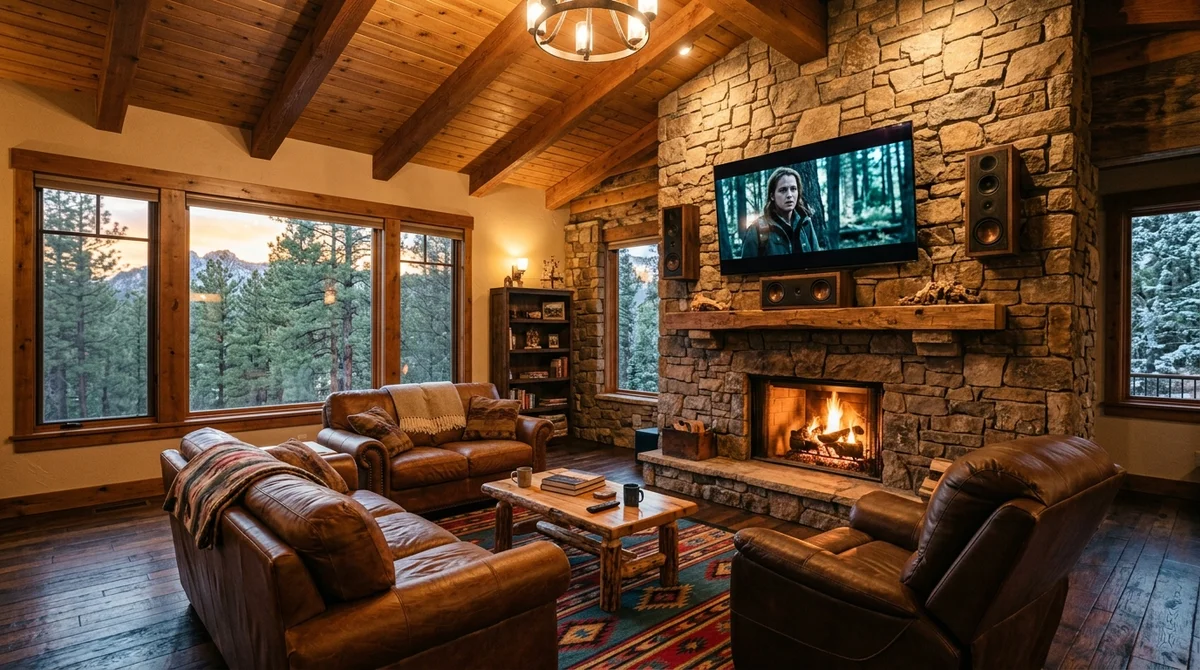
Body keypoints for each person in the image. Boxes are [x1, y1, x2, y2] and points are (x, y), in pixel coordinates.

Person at [740, 167, 827, 257]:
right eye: (783, 190)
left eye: (793, 189)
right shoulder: (756, 230)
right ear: (772, 196)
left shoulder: (805, 223)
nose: (789, 195)